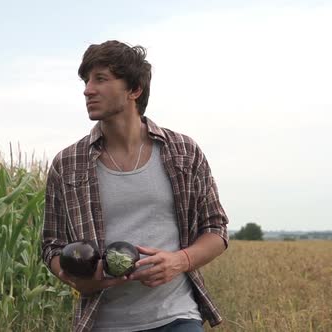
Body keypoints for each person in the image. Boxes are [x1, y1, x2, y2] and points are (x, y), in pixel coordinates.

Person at [42, 40, 229, 332]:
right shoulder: (67, 163)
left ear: (134, 90)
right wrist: (75, 278)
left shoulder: (184, 151)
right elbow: (51, 246)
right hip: (103, 322)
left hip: (177, 317)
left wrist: (180, 261)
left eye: (101, 79)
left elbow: (216, 230)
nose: (88, 89)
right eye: (86, 80)